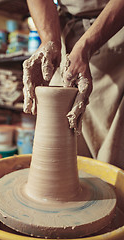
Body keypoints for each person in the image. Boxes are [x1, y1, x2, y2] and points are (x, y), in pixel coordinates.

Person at [23, 0, 124, 169]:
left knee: (113, 159)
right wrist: (50, 40)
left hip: (117, 28)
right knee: (60, 146)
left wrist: (86, 46)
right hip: (67, 31)